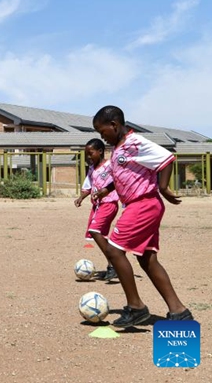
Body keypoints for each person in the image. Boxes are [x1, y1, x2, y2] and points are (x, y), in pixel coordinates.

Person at [92, 106, 192, 327]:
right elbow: (122, 175)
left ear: (114, 125)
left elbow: (166, 158)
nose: (102, 137)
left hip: (143, 204)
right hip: (139, 205)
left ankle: (136, 307)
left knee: (113, 250)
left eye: (103, 132)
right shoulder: (119, 147)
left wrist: (164, 187)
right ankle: (179, 310)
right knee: (147, 258)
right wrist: (107, 190)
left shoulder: (134, 142)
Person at [74, 138, 118, 281]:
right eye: (86, 154)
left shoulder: (110, 166)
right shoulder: (92, 169)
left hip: (109, 203)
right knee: (100, 236)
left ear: (100, 152)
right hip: (97, 206)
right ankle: (113, 264)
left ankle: (115, 264)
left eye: (90, 153)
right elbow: (89, 186)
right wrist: (82, 197)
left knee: (95, 230)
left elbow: (118, 180)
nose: (88, 157)